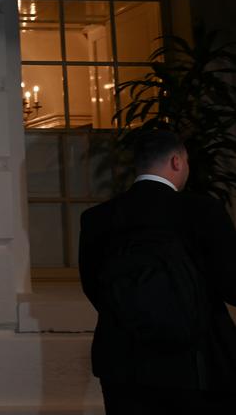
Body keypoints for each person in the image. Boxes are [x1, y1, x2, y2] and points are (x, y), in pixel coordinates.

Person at [79, 129, 236, 414]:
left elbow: (94, 288)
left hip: (122, 362)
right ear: (176, 161)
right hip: (197, 363)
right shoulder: (203, 211)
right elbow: (231, 284)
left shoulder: (97, 218)